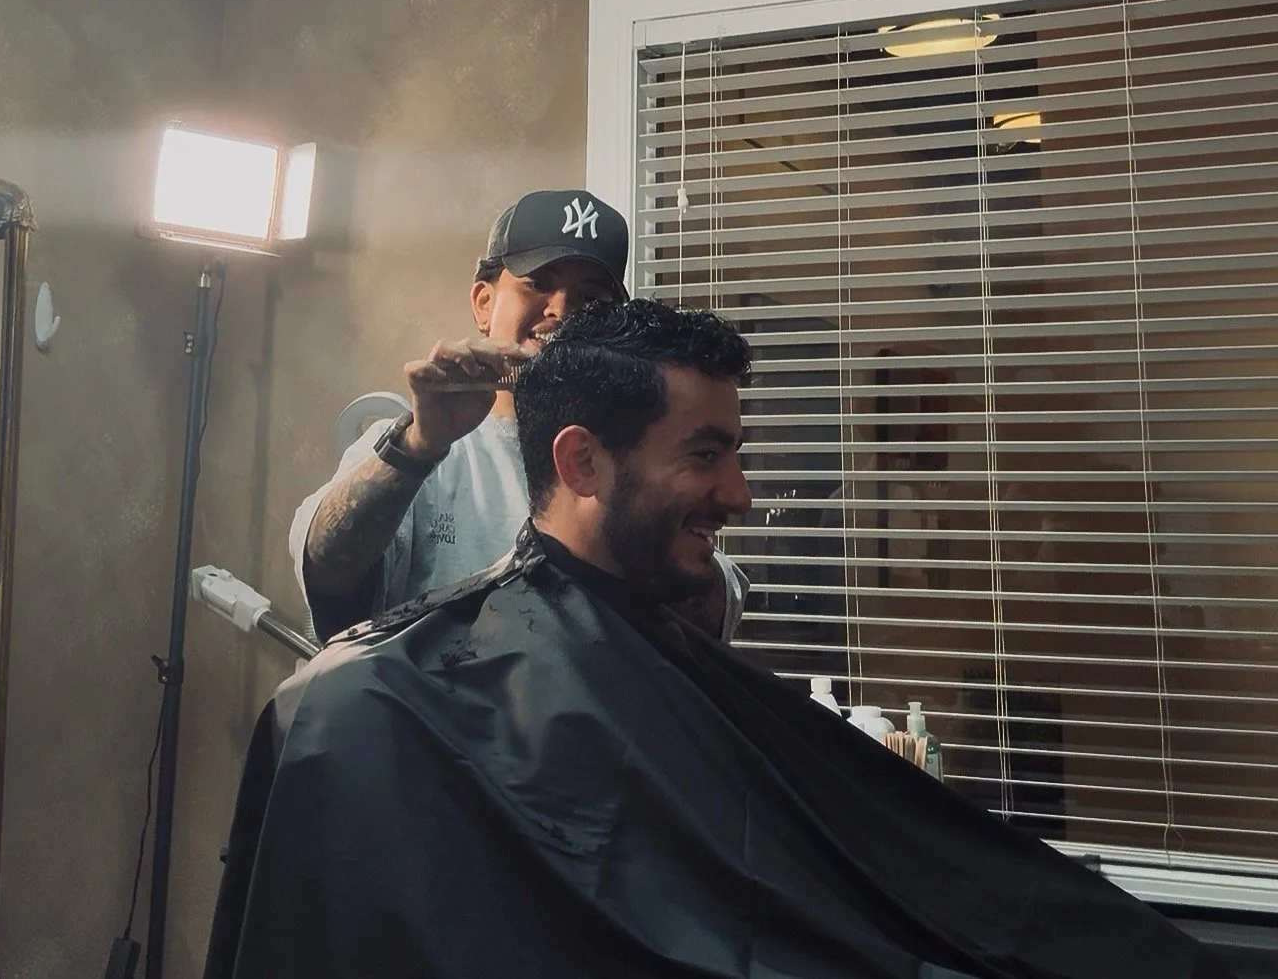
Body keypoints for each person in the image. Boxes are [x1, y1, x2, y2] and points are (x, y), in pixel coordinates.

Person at [208, 300, 1232, 979]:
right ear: (582, 463)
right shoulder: (368, 703)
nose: (738, 493)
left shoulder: (681, 637)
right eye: (706, 455)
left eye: (734, 454)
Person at [288, 188, 748, 642]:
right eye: (538, 283)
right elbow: (327, 571)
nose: (562, 310)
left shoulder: (630, 453)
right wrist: (419, 445)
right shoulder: (413, 444)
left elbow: (711, 613)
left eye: (592, 298)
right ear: (483, 303)